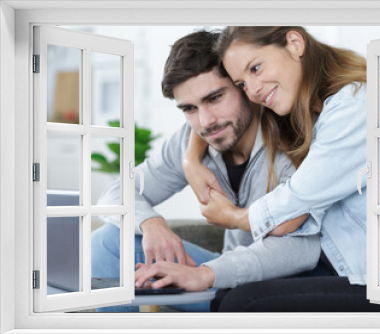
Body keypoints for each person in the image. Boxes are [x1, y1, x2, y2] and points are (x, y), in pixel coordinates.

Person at [183, 26, 380, 312]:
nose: (252, 90)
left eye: (256, 68)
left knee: (243, 302)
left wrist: (232, 217)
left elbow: (288, 215)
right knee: (227, 294)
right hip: (352, 270)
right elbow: (217, 114)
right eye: (241, 84)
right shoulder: (308, 106)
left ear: (294, 43)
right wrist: (191, 160)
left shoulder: (357, 105)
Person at [91, 30, 321, 313]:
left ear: (243, 85)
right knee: (108, 243)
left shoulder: (293, 137)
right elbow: (114, 192)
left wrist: (208, 273)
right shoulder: (189, 141)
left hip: (293, 284)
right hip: (227, 277)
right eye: (189, 108)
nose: (205, 121)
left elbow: (300, 250)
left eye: (214, 98)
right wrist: (151, 223)